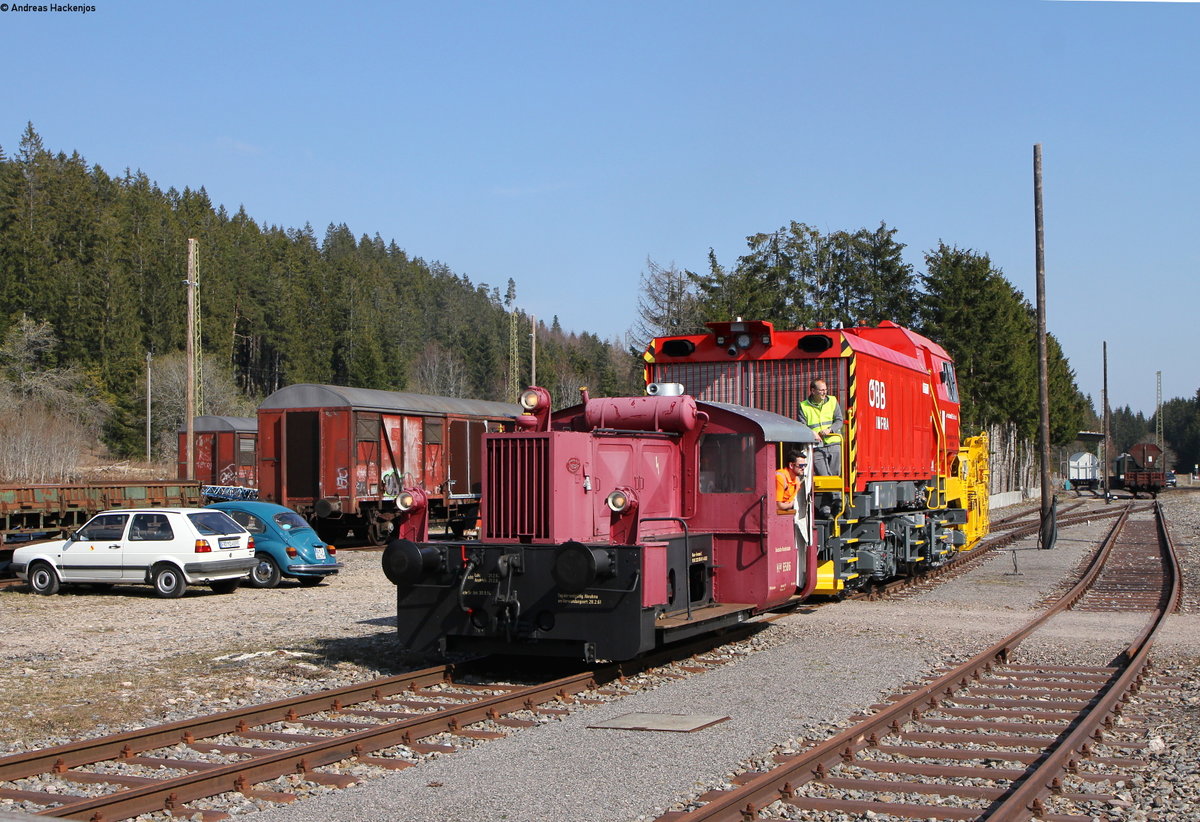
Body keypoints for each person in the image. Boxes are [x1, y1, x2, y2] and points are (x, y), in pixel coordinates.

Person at [800, 379, 843, 476]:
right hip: (817, 446)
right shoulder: (803, 406)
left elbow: (839, 420)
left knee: (835, 478)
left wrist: (830, 430)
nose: (824, 393)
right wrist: (813, 433)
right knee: (823, 476)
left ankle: (834, 488)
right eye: (821, 390)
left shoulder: (832, 401)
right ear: (813, 391)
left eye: (825, 390)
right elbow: (802, 426)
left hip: (834, 444)